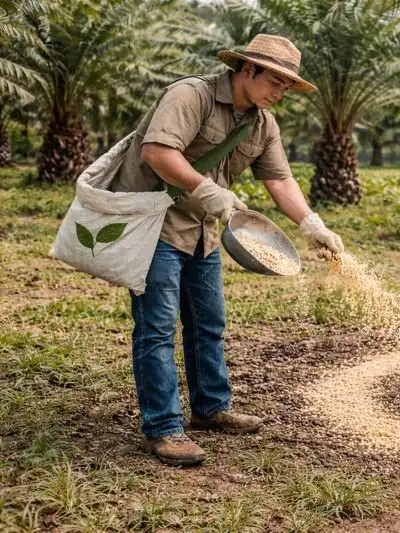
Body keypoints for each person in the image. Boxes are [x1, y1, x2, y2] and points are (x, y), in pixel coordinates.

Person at [110, 34, 343, 466]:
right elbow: (158, 152)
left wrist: (313, 225)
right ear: (247, 69)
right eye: (275, 80)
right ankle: (163, 428)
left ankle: (211, 408)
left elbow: (279, 179)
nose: (280, 92)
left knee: (209, 322)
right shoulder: (190, 95)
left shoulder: (262, 124)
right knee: (158, 328)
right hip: (155, 227)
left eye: (288, 86)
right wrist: (206, 188)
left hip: (204, 232)